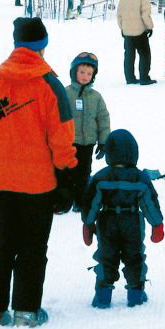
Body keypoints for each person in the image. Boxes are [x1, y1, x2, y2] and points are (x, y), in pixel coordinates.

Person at [0, 17, 77, 327]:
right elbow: (62, 138)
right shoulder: (49, 85)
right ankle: (26, 312)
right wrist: (67, 179)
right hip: (37, 185)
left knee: (1, 244)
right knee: (32, 248)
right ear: (42, 47)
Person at [82, 129, 164, 308]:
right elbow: (149, 203)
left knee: (106, 256)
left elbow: (92, 202)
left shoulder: (101, 177)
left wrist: (88, 223)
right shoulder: (140, 177)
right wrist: (157, 224)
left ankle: (103, 295)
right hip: (132, 221)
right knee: (134, 256)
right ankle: (135, 293)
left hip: (107, 221)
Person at [66, 52, 110, 212]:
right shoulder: (66, 93)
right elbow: (57, 116)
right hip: (69, 142)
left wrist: (103, 141)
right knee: (67, 172)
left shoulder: (96, 97)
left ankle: (80, 201)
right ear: (74, 72)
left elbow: (103, 119)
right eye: (82, 72)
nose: (85, 76)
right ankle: (65, 201)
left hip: (88, 143)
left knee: (84, 172)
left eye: (89, 74)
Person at [117, 0, 156, 85]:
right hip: (140, 32)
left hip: (127, 32)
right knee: (145, 55)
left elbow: (119, 15)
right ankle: (144, 78)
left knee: (129, 56)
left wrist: (122, 28)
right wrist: (149, 27)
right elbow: (145, 15)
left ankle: (130, 78)